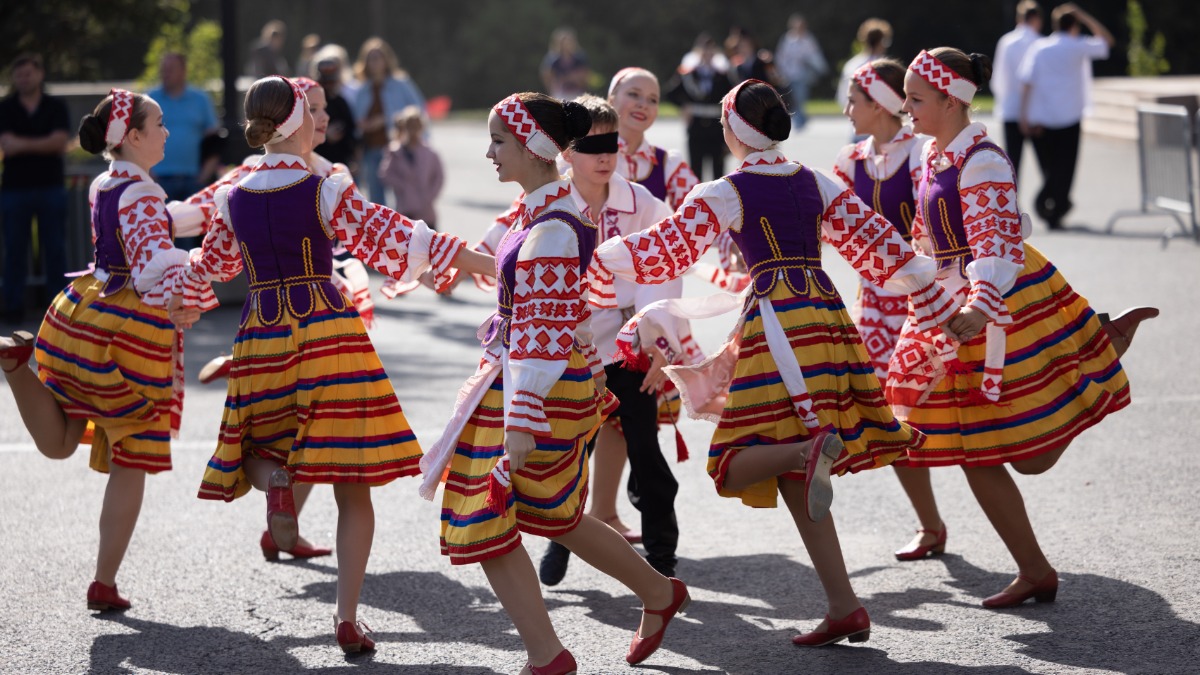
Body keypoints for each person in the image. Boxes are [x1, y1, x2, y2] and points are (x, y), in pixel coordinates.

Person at [588, 79, 957, 646]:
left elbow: (667, 247)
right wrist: (931, 286)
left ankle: (809, 455)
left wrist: (601, 252)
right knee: (788, 475)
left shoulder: (728, 190)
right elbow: (880, 243)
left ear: (736, 131)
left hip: (776, 323)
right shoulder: (816, 180)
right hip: (824, 315)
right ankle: (844, 604)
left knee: (734, 460)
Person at [177, 75, 493, 652]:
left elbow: (213, 265)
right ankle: (347, 616)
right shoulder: (324, 186)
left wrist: (177, 297)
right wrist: (471, 257)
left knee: (256, 447)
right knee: (352, 481)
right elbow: (388, 234)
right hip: (327, 332)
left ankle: (278, 482)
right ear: (299, 119)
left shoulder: (230, 194)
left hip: (263, 332)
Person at [421, 91, 686, 673]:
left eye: (498, 141)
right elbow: (507, 279)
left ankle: (548, 655)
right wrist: (427, 251)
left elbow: (541, 330)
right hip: (537, 379)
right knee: (551, 515)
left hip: (532, 387)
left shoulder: (552, 227)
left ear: (535, 147)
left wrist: (521, 418)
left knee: (482, 516)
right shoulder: (545, 207)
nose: (489, 153)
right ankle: (660, 594)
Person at [890, 47, 1151, 607]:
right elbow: (929, 237)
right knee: (983, 448)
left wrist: (978, 308)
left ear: (950, 99)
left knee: (1016, 452)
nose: (905, 108)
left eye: (914, 99)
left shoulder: (982, 160)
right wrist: (919, 291)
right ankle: (1035, 569)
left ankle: (1095, 358)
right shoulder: (933, 154)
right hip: (957, 304)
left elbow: (996, 246)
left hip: (998, 300)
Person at [0, 89, 211, 612]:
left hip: (81, 311)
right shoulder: (142, 192)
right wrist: (195, 282)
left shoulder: (106, 180)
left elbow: (159, 223)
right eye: (158, 124)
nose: (166, 132)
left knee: (64, 436)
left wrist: (216, 205)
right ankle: (104, 581)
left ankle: (19, 368)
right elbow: (152, 264)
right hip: (127, 330)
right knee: (132, 456)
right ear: (134, 135)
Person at [536, 95, 683, 589]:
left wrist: (658, 342)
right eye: (590, 146)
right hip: (571, 349)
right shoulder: (548, 203)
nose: (603, 156)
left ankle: (662, 559)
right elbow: (512, 255)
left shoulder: (643, 204)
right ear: (566, 152)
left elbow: (665, 269)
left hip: (630, 346)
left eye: (611, 145)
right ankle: (562, 537)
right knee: (573, 448)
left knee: (645, 449)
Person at [832, 59, 943, 561]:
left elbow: (933, 226)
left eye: (853, 100)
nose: (846, 109)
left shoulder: (923, 151)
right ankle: (931, 524)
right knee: (895, 415)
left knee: (953, 409)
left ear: (878, 104)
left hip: (928, 299)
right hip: (876, 306)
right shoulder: (850, 160)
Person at [1018, 3, 1113, 230]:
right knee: (1065, 169)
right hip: (1070, 117)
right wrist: (1084, 15)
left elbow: (1026, 82)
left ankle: (1051, 206)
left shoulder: (1040, 48)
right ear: (1074, 26)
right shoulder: (1077, 45)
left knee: (1051, 168)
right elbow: (1106, 42)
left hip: (1043, 117)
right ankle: (1052, 206)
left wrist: (1024, 115)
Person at [0, 53, 70, 326]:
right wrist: (42, 142)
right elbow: (6, 145)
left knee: (55, 250)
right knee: (14, 250)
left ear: (39, 74)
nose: (23, 79)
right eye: (18, 75)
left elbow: (59, 143)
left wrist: (22, 145)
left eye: (28, 74)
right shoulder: (5, 107)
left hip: (51, 186)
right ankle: (13, 308)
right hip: (14, 189)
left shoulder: (56, 106)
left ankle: (58, 308)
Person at [146, 52, 220, 247]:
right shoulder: (149, 100)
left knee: (194, 241)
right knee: (162, 239)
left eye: (171, 69)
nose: (165, 73)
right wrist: (149, 173)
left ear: (183, 71)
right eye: (164, 69)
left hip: (194, 180)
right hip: (159, 181)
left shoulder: (200, 100)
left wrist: (205, 175)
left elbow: (214, 140)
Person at [352, 37, 426, 207]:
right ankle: (381, 233)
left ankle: (405, 232)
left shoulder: (401, 83)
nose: (375, 62)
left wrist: (386, 119)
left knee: (404, 196)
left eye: (378, 57)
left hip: (397, 147)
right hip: (370, 149)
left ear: (386, 59)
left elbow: (418, 109)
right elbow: (356, 118)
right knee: (376, 200)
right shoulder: (361, 89)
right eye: (371, 58)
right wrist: (362, 125)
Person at [667, 38, 734, 183]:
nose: (707, 53)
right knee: (696, 171)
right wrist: (684, 106)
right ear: (698, 52)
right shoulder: (688, 74)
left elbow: (734, 95)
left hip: (717, 127)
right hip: (696, 126)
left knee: (719, 172)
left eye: (711, 50)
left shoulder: (722, 74)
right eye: (704, 50)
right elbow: (670, 94)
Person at [992, 1, 1044, 182]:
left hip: (1010, 109)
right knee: (1045, 162)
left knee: (1013, 164)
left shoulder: (1006, 42)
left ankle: (1011, 205)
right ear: (1036, 19)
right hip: (1036, 112)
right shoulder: (1040, 43)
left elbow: (998, 79)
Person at [379, 106, 444, 228]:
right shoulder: (395, 151)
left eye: (416, 127)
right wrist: (402, 185)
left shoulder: (430, 152)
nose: (413, 131)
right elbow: (385, 174)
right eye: (410, 127)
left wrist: (430, 195)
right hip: (406, 208)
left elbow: (439, 177)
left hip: (426, 209)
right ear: (404, 128)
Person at [775, 14, 828, 130]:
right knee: (793, 97)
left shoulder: (808, 40)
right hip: (789, 74)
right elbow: (781, 57)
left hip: (803, 74)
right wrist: (781, 71)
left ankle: (800, 118)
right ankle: (800, 118)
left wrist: (822, 68)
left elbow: (815, 55)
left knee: (800, 96)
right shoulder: (788, 39)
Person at [312, 52, 358, 168]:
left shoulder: (341, 102)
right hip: (315, 162)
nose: (328, 86)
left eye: (331, 82)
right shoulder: (310, 102)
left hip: (339, 163)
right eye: (325, 82)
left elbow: (352, 130)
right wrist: (325, 135)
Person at [836, 19, 893, 110]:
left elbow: (842, 97)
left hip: (855, 116)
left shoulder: (851, 64)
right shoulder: (886, 67)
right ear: (882, 42)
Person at [540, 27, 591, 100]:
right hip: (560, 93)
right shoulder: (552, 60)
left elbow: (585, 76)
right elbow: (547, 76)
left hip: (578, 92)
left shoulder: (580, 58)